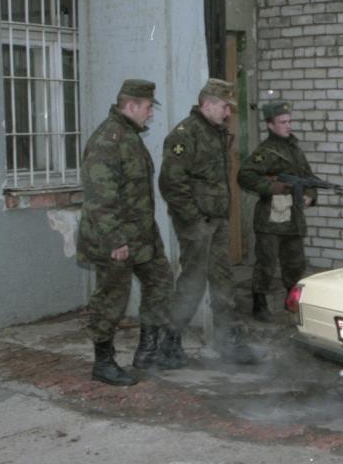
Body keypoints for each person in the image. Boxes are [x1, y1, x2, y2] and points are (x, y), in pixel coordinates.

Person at [158, 78, 261, 366]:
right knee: (192, 283)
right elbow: (171, 183)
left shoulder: (216, 132)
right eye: (225, 107)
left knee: (223, 281)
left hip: (217, 220)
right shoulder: (185, 134)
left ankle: (229, 343)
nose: (228, 113)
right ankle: (170, 344)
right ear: (207, 104)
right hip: (197, 224)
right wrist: (193, 218)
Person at [77, 79, 173, 386]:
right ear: (131, 106)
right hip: (114, 237)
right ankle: (103, 362)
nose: (151, 114)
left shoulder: (130, 136)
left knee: (161, 281)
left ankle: (148, 351)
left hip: (142, 235)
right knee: (112, 298)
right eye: (148, 107)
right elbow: (100, 199)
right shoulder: (108, 140)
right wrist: (115, 240)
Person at [237, 101, 317, 322]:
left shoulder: (294, 149)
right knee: (267, 263)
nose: (288, 125)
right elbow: (245, 175)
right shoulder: (266, 152)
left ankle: (291, 302)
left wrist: (310, 194)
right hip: (271, 219)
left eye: (289, 121)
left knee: (295, 263)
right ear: (270, 125)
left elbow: (308, 177)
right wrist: (273, 187)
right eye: (282, 122)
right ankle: (259, 304)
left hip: (293, 217)